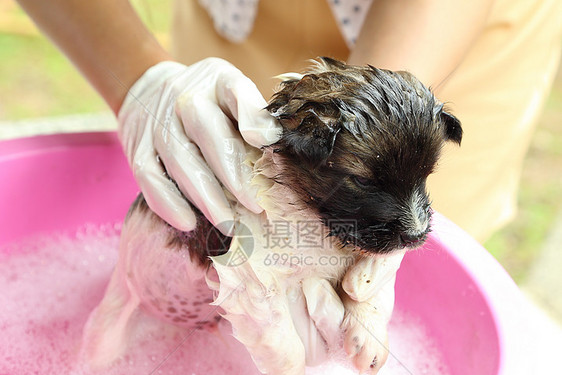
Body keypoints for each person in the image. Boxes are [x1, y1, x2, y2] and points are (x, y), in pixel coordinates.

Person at [15, 0, 562, 242]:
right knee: (226, 204)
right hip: (236, 16)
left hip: (436, 27)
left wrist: (384, 131)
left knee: (398, 234)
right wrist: (139, 79)